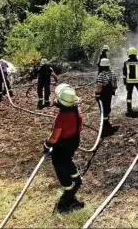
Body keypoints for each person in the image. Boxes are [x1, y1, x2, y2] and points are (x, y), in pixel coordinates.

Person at [44, 84, 84, 213]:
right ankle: (76, 178)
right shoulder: (77, 109)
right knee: (68, 159)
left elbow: (55, 137)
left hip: (63, 144)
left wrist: (47, 144)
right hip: (75, 140)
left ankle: (69, 196)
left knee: (60, 164)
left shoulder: (61, 117)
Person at [95, 58, 118, 137]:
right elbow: (115, 85)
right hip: (109, 95)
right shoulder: (112, 73)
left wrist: (97, 94)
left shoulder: (101, 75)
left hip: (103, 95)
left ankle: (104, 125)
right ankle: (106, 122)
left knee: (102, 109)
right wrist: (112, 91)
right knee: (107, 108)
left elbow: (99, 86)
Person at [122, 47, 138, 116]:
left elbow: (124, 73)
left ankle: (129, 109)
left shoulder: (126, 63)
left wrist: (124, 80)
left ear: (128, 54)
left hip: (129, 82)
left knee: (129, 95)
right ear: (136, 53)